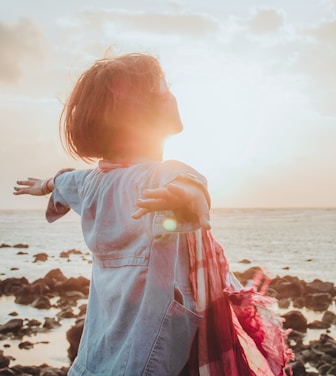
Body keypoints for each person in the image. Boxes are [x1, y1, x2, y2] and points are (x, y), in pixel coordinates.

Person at [14, 53, 290, 376]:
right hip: (157, 356)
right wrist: (188, 200)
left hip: (101, 355)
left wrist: (46, 184)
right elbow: (191, 187)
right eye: (162, 89)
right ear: (137, 115)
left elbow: (66, 182)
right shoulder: (160, 176)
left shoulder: (92, 183)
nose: (171, 94)